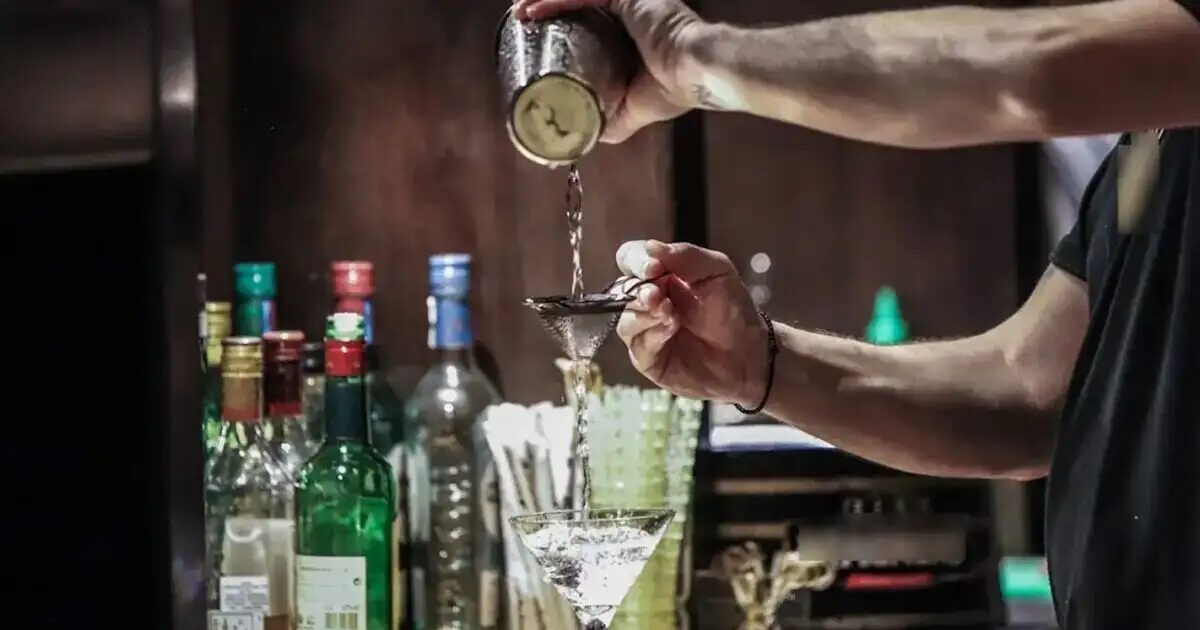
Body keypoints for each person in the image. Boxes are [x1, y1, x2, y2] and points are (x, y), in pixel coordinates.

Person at [511, 1, 1200, 628]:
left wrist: (694, 56)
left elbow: (1028, 76)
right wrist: (761, 365)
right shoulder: (1149, 147)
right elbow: (1029, 389)